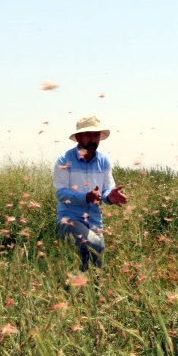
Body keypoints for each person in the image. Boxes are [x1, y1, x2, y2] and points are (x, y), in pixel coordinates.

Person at [53, 116, 127, 271]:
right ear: (78, 137)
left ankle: (87, 292)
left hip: (94, 220)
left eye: (96, 135)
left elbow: (107, 189)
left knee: (98, 264)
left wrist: (109, 197)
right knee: (95, 245)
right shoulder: (64, 160)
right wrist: (85, 197)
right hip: (69, 219)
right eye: (88, 135)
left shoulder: (104, 161)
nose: (93, 139)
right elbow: (61, 194)